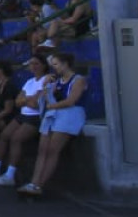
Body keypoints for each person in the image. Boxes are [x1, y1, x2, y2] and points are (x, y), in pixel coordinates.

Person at [19, 50, 88, 196]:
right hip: (53, 114)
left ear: (65, 64)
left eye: (56, 64)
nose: (54, 68)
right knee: (42, 150)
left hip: (69, 114)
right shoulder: (55, 81)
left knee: (52, 150)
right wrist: (46, 86)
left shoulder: (78, 80)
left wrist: (52, 106)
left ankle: (39, 185)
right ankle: (34, 182)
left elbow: (71, 100)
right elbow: (46, 99)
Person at [0, 55, 48, 185]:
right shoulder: (29, 81)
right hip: (22, 115)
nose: (33, 66)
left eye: (36, 64)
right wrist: (29, 99)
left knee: (16, 138)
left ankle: (10, 175)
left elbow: (36, 104)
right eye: (31, 64)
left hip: (35, 117)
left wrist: (26, 100)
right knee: (4, 135)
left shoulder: (46, 80)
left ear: (44, 65)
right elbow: (18, 102)